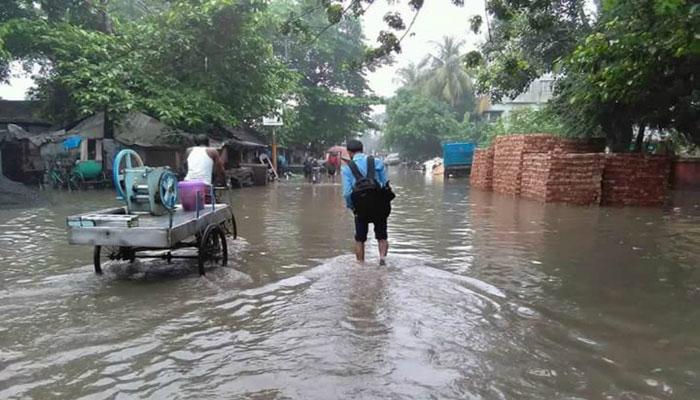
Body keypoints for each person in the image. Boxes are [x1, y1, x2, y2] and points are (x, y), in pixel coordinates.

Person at [342, 139, 393, 265]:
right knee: (382, 236)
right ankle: (382, 260)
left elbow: (347, 193)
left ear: (349, 152)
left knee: (360, 239)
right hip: (379, 205)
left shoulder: (347, 169)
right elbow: (385, 184)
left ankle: (360, 265)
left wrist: (352, 207)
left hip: (360, 207)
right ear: (362, 149)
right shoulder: (376, 162)